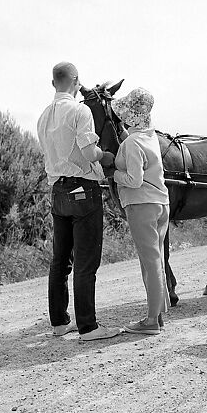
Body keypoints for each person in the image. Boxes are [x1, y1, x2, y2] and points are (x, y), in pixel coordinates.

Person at [37, 61, 121, 341]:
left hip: (58, 191)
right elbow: (88, 151)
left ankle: (60, 322)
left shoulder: (42, 117)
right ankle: (88, 327)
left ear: (53, 83)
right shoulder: (80, 110)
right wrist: (105, 156)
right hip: (83, 189)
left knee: (60, 259)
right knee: (86, 261)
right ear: (76, 82)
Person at [109, 87, 171, 335]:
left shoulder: (133, 143)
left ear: (130, 115)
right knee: (156, 260)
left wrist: (114, 174)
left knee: (150, 262)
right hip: (160, 203)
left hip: (141, 205)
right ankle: (158, 313)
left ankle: (151, 321)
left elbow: (134, 180)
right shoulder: (149, 136)